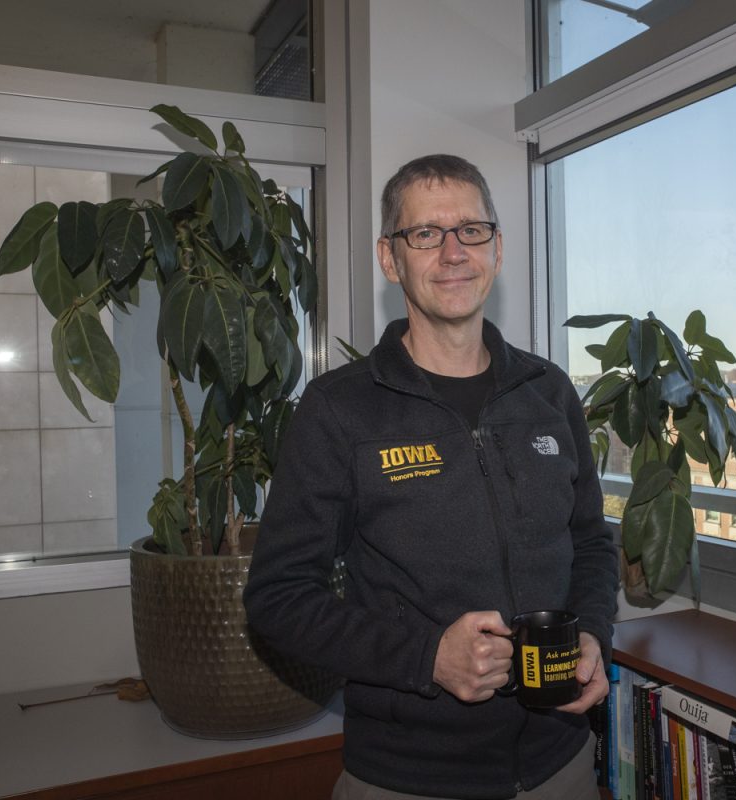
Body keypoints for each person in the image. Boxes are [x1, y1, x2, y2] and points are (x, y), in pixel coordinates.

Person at [244, 154, 619, 799]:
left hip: (563, 764)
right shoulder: (339, 409)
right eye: (426, 234)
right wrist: (428, 658)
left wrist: (591, 630)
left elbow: (588, 543)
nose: (453, 252)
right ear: (392, 259)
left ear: (497, 249)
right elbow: (277, 600)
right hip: (408, 778)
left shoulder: (550, 394)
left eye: (471, 230)